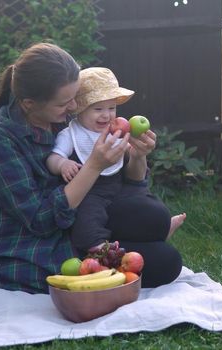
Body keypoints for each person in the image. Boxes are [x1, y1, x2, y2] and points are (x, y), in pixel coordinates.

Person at [0, 43, 183, 294]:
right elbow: (40, 220)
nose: (72, 108)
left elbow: (127, 183)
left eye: (74, 99)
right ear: (28, 103)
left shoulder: (64, 120)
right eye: (63, 103)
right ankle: (127, 247)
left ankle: (138, 240)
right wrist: (93, 165)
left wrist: (137, 156)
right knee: (167, 261)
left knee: (155, 218)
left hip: (82, 220)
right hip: (30, 249)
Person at [46, 66, 186, 257]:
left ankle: (161, 227)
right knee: (87, 219)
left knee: (143, 198)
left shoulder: (118, 130)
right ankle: (99, 248)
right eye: (98, 109)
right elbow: (53, 157)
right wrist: (63, 164)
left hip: (119, 187)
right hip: (90, 193)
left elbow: (132, 169)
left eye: (112, 108)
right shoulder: (70, 134)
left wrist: (137, 152)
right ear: (79, 109)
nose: (107, 115)